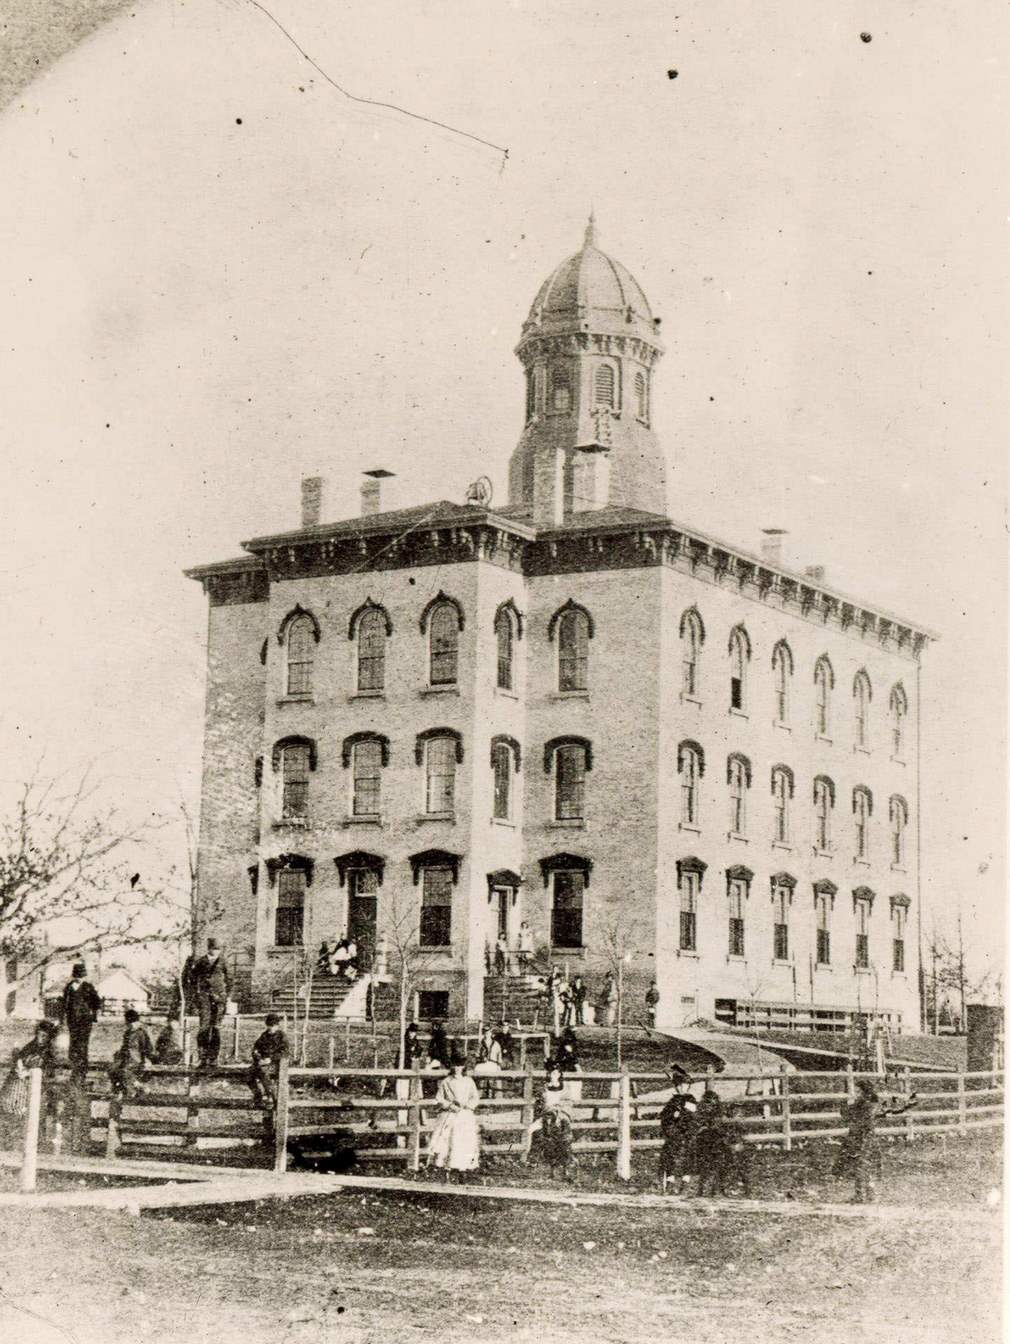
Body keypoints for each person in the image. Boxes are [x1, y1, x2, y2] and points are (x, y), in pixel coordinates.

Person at [834, 1078, 917, 1204]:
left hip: (861, 1138)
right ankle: (867, 1194)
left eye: (858, 1092)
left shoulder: (865, 1105)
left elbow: (847, 1114)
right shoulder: (870, 1104)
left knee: (860, 1167)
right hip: (864, 1137)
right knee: (862, 1167)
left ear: (864, 1092)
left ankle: (863, 1195)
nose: (856, 1094)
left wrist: (847, 1108)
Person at [0, 1020, 60, 1138]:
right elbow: (19, 1062)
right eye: (39, 1034)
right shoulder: (30, 1047)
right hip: (19, 1085)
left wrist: (29, 1073)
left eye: (44, 1036)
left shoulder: (48, 1053)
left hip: (34, 1088)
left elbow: (48, 1074)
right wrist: (19, 1064)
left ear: (49, 1038)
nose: (40, 1038)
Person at [427, 1050, 480, 1178]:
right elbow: (439, 1098)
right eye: (455, 1065)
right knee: (448, 1138)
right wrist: (450, 1105)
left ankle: (463, 1166)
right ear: (452, 1067)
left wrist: (468, 1105)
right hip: (451, 1113)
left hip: (465, 1113)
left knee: (464, 1139)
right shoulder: (446, 1081)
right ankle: (447, 1165)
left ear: (464, 1067)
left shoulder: (469, 1081)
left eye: (460, 1065)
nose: (457, 1068)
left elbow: (475, 1097)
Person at [59, 962, 102, 1085]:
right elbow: (64, 1004)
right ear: (74, 975)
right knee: (73, 1045)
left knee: (82, 1045)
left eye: (81, 975)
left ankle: (82, 1073)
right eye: (77, 975)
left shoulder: (88, 987)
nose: (79, 978)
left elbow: (97, 1002)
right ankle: (74, 1071)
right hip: (72, 1020)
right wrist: (63, 1017)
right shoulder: (69, 987)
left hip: (84, 1021)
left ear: (84, 976)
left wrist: (92, 1015)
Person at [658, 1066, 698, 1195]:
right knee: (669, 1153)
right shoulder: (673, 1100)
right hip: (675, 1132)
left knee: (688, 1154)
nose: (682, 1088)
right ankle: (670, 1182)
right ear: (676, 1087)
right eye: (680, 1086)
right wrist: (672, 1116)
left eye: (685, 1085)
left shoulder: (690, 1099)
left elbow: (693, 1113)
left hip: (687, 1132)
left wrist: (682, 1110)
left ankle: (685, 1184)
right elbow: (665, 1116)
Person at [534, 1064, 577, 1181]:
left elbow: (568, 1103)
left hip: (562, 1116)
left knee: (564, 1139)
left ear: (560, 1075)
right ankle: (549, 1169)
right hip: (547, 1115)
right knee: (543, 1137)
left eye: (557, 1073)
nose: (554, 1076)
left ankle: (566, 1169)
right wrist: (548, 1111)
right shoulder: (544, 1088)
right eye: (552, 1073)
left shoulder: (565, 1088)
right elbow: (540, 1104)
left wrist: (560, 1112)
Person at [193, 937, 230, 1069]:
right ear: (208, 949)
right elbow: (192, 978)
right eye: (213, 948)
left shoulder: (223, 962)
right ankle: (202, 1058)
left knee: (216, 1028)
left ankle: (213, 1058)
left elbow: (230, 979)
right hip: (204, 998)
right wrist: (196, 995)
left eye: (218, 949)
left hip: (219, 999)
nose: (215, 951)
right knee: (203, 1028)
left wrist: (228, 997)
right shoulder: (201, 962)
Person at [108, 1008, 153, 1100]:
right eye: (129, 1024)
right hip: (125, 1058)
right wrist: (119, 1054)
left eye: (132, 1024)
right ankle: (120, 1090)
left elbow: (147, 1048)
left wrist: (145, 1060)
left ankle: (135, 1090)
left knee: (125, 1071)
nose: (130, 1026)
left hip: (136, 1059)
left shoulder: (141, 1033)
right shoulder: (127, 1033)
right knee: (112, 1070)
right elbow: (124, 1047)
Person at [248, 1013, 289, 1111]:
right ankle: (258, 1097)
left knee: (263, 1072)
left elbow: (285, 1052)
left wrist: (270, 1059)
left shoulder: (281, 1036)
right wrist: (257, 1056)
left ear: (277, 1025)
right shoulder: (264, 1035)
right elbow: (256, 1048)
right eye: (269, 1025)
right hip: (262, 1062)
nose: (270, 1027)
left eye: (273, 1025)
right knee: (248, 1074)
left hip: (276, 1064)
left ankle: (272, 1098)